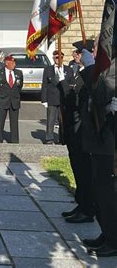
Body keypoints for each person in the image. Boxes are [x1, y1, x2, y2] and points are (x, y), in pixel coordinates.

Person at [79, 49, 117, 256]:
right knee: (100, 190)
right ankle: (108, 232)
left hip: (109, 139)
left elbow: (101, 95)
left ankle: (114, 239)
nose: (94, 51)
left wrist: (91, 67)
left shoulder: (112, 67)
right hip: (99, 138)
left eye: (97, 47)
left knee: (107, 192)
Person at [58, 44, 94, 224]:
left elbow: (74, 99)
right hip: (73, 129)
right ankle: (81, 204)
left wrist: (63, 84)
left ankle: (87, 208)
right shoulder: (77, 72)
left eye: (80, 53)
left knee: (84, 171)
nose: (76, 55)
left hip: (81, 130)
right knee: (77, 170)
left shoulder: (89, 74)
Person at [41, 50, 73, 144]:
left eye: (61, 58)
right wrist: (44, 99)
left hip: (63, 97)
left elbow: (70, 84)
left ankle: (62, 138)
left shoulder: (68, 69)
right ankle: (49, 138)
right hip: (52, 97)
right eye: (56, 58)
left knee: (62, 120)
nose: (58, 59)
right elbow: (45, 85)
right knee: (51, 119)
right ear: (53, 58)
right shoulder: (48, 69)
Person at [0, 55, 23, 143]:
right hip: (3, 99)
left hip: (14, 100)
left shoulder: (19, 73)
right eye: (13, 62)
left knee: (14, 122)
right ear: (7, 63)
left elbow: (20, 86)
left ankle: (14, 139)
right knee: (0, 121)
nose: (15, 64)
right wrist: (0, 95)